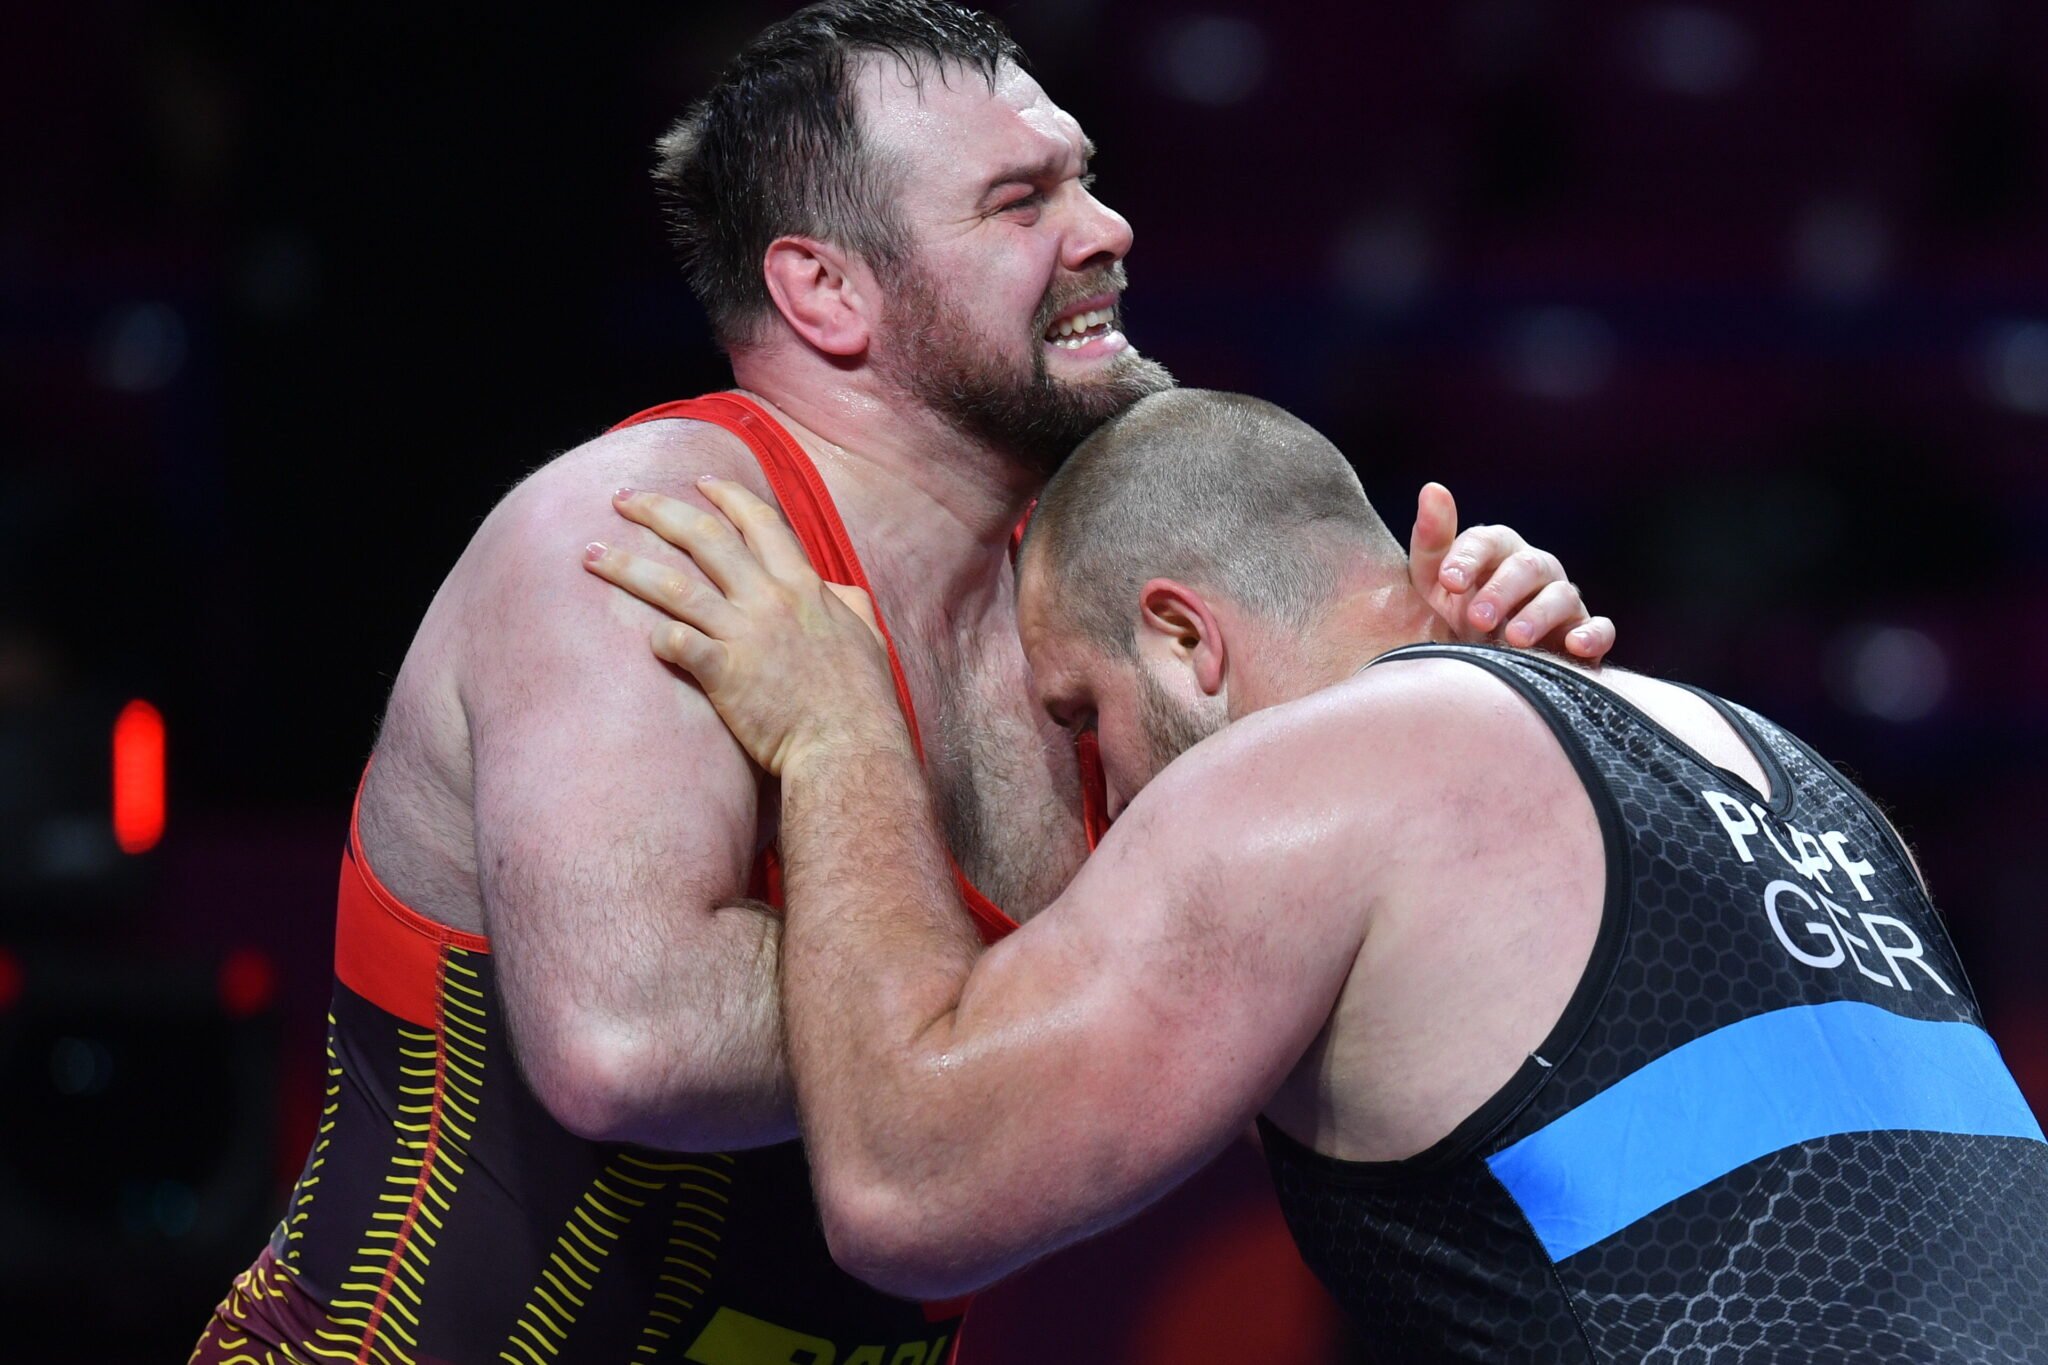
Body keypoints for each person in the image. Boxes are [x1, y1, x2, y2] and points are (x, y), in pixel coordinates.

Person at [188, 5, 1617, 1363]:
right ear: (825, 288)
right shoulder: (649, 540)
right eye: (1022, 201)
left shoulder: (1096, 620)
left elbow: (1324, 1024)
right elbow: (628, 1041)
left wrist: (1463, 702)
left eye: (1089, 179)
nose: (1107, 229)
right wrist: (1081, 997)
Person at [586, 387, 2048, 1363]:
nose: (1096, 791)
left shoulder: (1305, 777)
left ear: (1183, 637)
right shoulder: (1806, 778)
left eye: (1083, 715)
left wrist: (837, 734)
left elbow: (912, 1184)